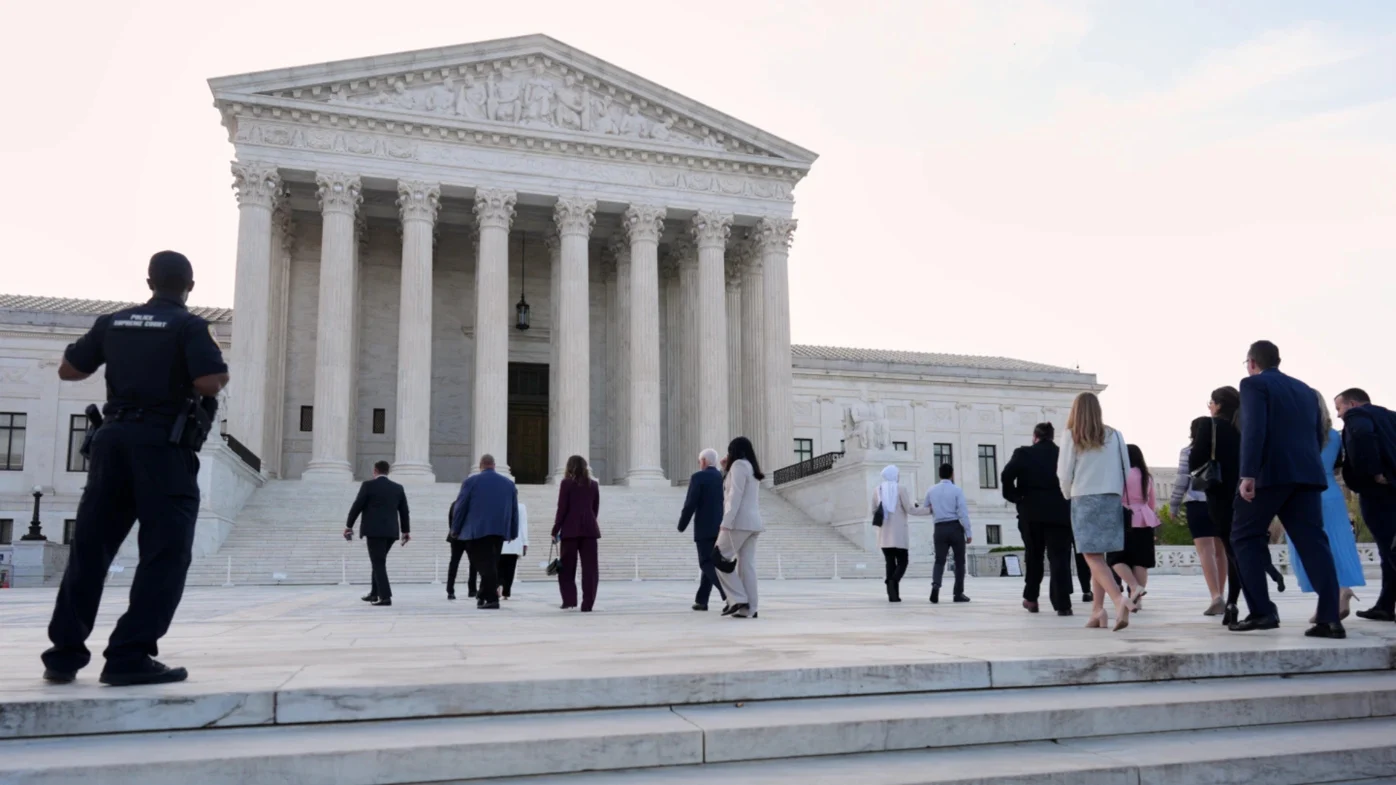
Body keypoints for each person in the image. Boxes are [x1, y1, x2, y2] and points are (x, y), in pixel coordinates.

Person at [40, 251, 228, 686]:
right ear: (189, 287)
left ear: (149, 281)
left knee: (89, 552)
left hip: (113, 439)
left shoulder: (114, 322)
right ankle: (129, 653)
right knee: (165, 554)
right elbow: (208, 381)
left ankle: (63, 654)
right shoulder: (190, 326)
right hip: (162, 446)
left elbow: (69, 369)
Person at [1230, 340, 1343, 637]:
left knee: (1244, 537)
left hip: (1269, 473)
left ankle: (1262, 612)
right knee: (1313, 543)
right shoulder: (1305, 390)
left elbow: (1254, 428)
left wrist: (1248, 474)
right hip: (1307, 473)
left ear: (1252, 363)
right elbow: (1318, 430)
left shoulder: (1253, 385)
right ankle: (1330, 619)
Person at [1188, 387, 1287, 626]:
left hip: (1221, 495)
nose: (1209, 407)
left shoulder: (1210, 426)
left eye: (1211, 402)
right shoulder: (1248, 425)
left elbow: (1195, 460)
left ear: (1219, 404)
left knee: (1235, 552)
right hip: (1250, 493)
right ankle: (1234, 601)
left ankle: (1255, 606)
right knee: (1240, 550)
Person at [1057, 391, 1134, 631]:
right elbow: (1127, 469)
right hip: (1111, 497)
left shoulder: (1071, 435)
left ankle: (1119, 599)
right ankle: (1097, 611)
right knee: (1098, 557)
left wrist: (1068, 493)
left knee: (1090, 555)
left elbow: (1064, 472)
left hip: (1085, 496)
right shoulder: (1116, 435)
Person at [1285, 391, 1364, 619]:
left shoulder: (1297, 434)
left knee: (1312, 550)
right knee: (1335, 545)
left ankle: (1332, 596)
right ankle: (1338, 593)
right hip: (1331, 493)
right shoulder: (1334, 435)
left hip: (1305, 495)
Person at [1335, 388, 1396, 623]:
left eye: (1339, 408)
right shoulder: (1391, 416)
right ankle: (1385, 605)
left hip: (1378, 491)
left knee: (1389, 548)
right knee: (1389, 548)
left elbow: (1362, 437)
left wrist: (1375, 473)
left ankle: (1385, 605)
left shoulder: (1356, 416)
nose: (1339, 415)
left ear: (1352, 404)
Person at [1001, 422, 1075, 615]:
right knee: (1059, 558)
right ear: (1052, 437)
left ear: (1035, 437)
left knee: (1034, 556)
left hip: (1031, 512)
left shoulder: (1024, 453)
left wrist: (1016, 497)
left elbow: (1006, 475)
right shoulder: (1062, 454)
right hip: (1060, 512)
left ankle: (1032, 599)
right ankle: (1063, 604)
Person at [450, 454, 519, 610]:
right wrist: (513, 531)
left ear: (481, 465)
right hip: (499, 530)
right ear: (494, 465)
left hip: (477, 531)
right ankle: (482, 595)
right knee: (491, 563)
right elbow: (514, 510)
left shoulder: (470, 482)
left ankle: (492, 599)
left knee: (484, 565)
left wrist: (455, 529)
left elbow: (460, 508)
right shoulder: (508, 484)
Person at [1170, 439, 1227, 615]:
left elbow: (1182, 479)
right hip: (1222, 503)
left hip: (1198, 504)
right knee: (1221, 551)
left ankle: (1215, 595)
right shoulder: (1225, 446)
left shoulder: (1188, 452)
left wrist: (1174, 504)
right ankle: (1222, 593)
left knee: (1205, 552)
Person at [346, 461, 411, 607]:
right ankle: (374, 593)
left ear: (375, 470)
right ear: (388, 472)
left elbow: (357, 506)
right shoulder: (397, 488)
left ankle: (385, 596)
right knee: (378, 561)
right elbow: (404, 511)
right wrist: (405, 531)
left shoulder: (368, 486)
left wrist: (349, 525)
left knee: (378, 562)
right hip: (391, 532)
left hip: (374, 531)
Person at [716, 437, 765, 619]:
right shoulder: (750, 467)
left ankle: (738, 598)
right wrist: (725, 469)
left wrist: (726, 522)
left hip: (739, 522)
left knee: (718, 558)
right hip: (753, 523)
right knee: (747, 566)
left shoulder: (738, 465)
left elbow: (734, 495)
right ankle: (750, 608)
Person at [1109, 445, 1160, 608]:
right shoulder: (1147, 476)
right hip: (1145, 518)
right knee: (1141, 561)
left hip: (1123, 517)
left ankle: (1133, 586)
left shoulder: (1119, 475)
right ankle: (1137, 599)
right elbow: (1151, 502)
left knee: (1115, 558)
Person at [872, 464, 931, 602]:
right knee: (903, 561)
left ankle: (893, 595)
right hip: (898, 534)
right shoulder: (900, 489)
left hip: (884, 534)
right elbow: (910, 509)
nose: (898, 476)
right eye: (897, 474)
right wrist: (928, 510)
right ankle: (893, 581)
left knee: (890, 563)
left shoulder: (878, 490)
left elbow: (873, 510)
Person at [678, 448, 727, 611]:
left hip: (704, 528)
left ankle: (728, 592)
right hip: (720, 527)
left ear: (704, 461)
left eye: (700, 461)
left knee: (706, 562)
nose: (700, 464)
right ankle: (701, 600)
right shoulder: (720, 477)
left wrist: (682, 524)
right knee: (711, 561)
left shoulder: (698, 477)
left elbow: (690, 503)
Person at [552, 455, 601, 612]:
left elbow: (562, 508)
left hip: (570, 531)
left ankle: (569, 600)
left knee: (566, 568)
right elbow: (595, 509)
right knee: (590, 570)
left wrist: (555, 529)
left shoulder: (566, 484)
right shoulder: (593, 485)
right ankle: (588, 604)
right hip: (590, 531)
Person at [924, 463, 972, 604]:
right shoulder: (957, 490)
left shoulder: (931, 490)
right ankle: (958, 593)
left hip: (939, 528)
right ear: (952, 474)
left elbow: (926, 506)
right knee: (959, 562)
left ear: (939, 474)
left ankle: (935, 586)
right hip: (955, 527)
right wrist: (968, 532)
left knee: (939, 560)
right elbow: (963, 513)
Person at [444, 500, 475, 600]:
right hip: (468, 537)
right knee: (473, 564)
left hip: (456, 537)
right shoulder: (471, 503)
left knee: (454, 563)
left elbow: (450, 521)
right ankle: (472, 590)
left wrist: (453, 532)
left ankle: (450, 590)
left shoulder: (454, 503)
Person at [498, 502, 529, 600]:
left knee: (499, 568)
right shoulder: (521, 507)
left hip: (500, 541)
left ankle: (499, 586)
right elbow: (524, 525)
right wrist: (525, 542)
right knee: (510, 569)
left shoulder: (500, 504)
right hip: (515, 542)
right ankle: (506, 592)